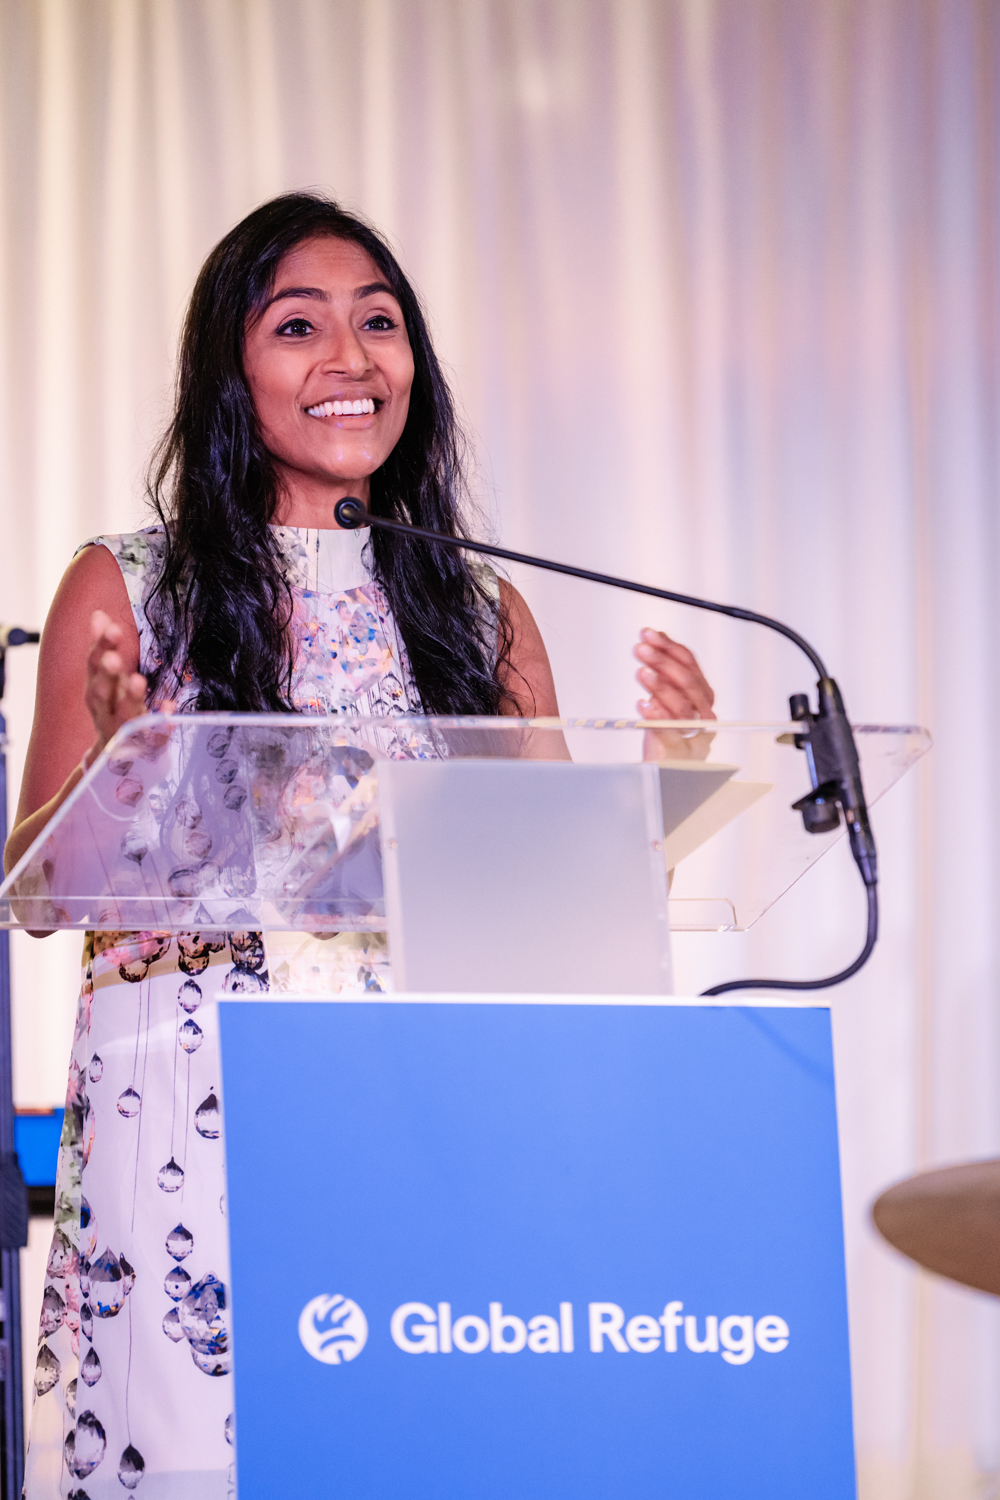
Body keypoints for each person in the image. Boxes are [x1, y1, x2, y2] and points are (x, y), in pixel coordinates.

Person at [4, 193, 716, 1496]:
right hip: (193, 1135)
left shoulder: (478, 607)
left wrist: (665, 781)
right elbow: (40, 897)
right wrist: (121, 762)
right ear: (229, 372)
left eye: (379, 323)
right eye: (298, 326)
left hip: (422, 1122)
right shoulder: (130, 585)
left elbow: (554, 909)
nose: (351, 357)